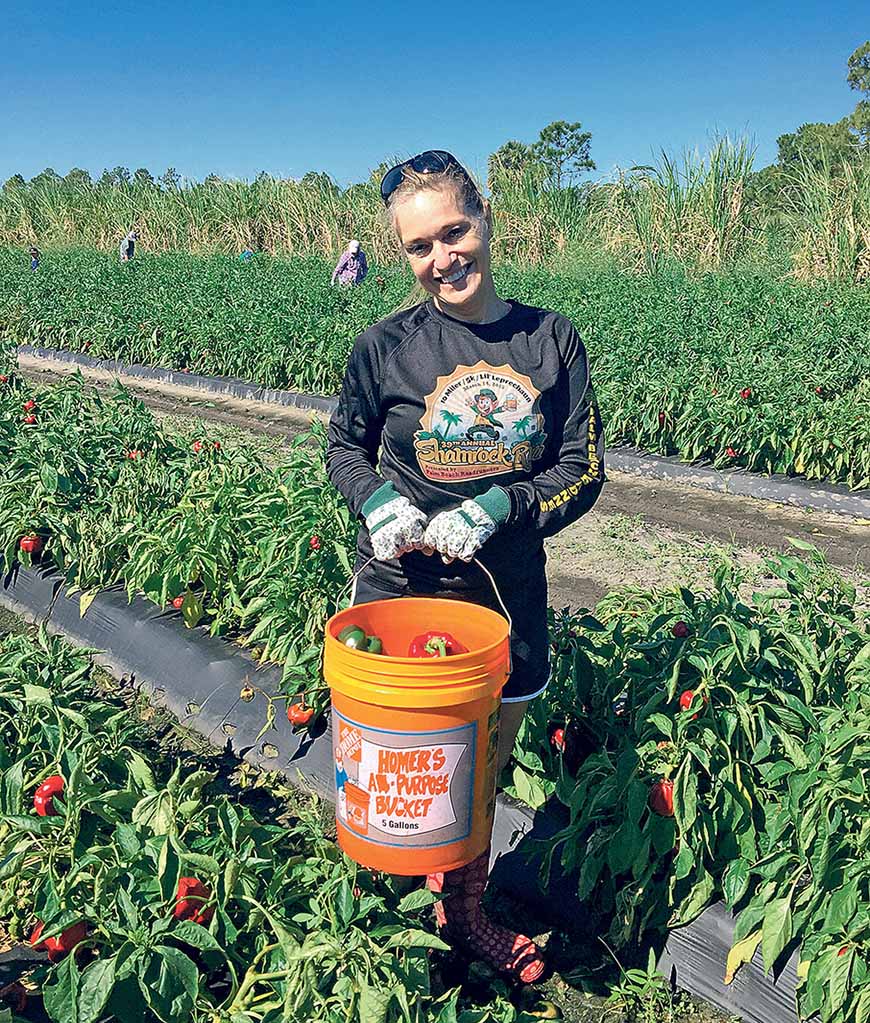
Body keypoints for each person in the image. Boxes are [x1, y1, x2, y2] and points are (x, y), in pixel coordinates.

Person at [326, 151, 606, 983]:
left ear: (485, 218)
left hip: (505, 596)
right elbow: (343, 444)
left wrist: (500, 506)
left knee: (479, 766)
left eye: (454, 231)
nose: (442, 256)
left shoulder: (550, 340)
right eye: (419, 246)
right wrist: (377, 503)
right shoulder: (385, 346)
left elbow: (583, 469)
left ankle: (463, 908)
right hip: (401, 595)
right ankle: (371, 918)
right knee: (390, 767)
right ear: (403, 254)